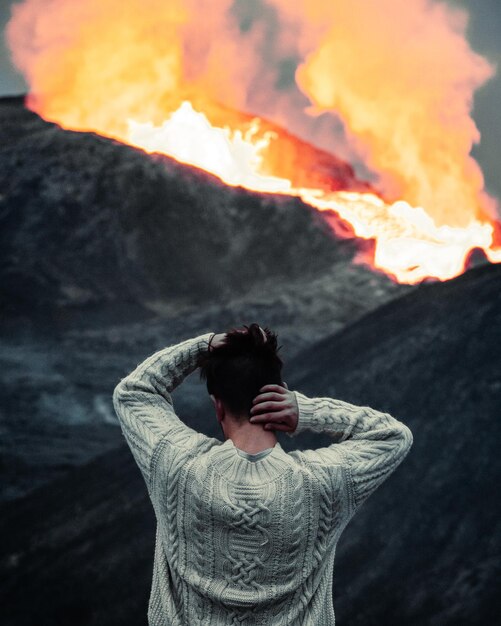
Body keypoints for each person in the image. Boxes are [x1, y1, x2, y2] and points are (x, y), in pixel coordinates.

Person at [112, 323, 413, 625]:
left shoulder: (178, 466)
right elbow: (393, 436)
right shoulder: (321, 483)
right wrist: (308, 411)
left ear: (218, 407)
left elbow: (135, 391)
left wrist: (206, 345)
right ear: (279, 396)